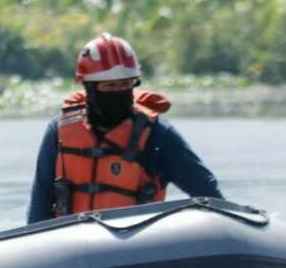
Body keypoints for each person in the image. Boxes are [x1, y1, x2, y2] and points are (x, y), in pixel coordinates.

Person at [27, 33, 223, 222]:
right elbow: (39, 205)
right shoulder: (59, 131)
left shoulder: (158, 135)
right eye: (110, 86)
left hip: (135, 245)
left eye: (125, 85)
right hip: (70, 243)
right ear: (89, 88)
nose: (119, 92)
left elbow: (207, 192)